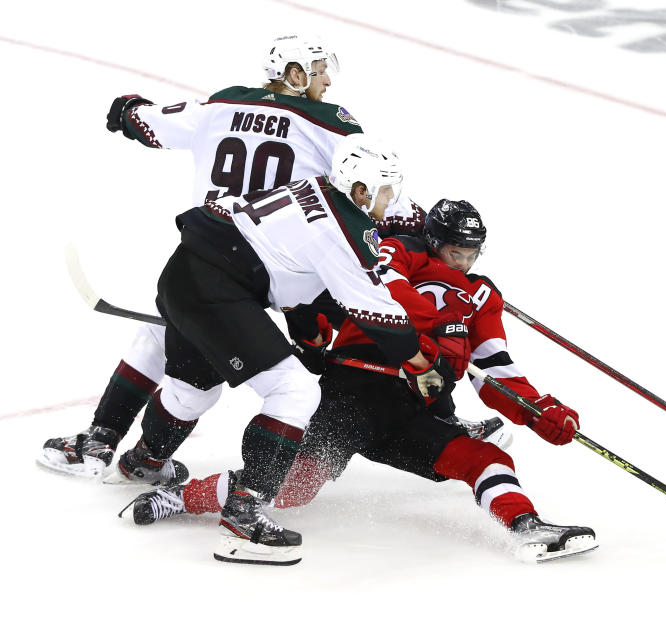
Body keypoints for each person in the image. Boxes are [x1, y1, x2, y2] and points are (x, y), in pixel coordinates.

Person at [126, 199, 598, 563]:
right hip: (352, 394)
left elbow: (494, 365)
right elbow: (378, 291)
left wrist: (538, 411)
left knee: (485, 459)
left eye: (472, 253)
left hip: (414, 413)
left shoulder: (482, 295)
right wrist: (421, 330)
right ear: (434, 242)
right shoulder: (401, 253)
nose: (464, 263)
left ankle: (527, 526)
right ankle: (180, 497)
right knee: (292, 489)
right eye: (456, 251)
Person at [38, 34, 422, 481]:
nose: (328, 80)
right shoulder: (329, 124)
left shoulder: (221, 106)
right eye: (319, 71)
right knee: (366, 328)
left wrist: (129, 108)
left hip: (209, 245)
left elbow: (138, 122)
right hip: (279, 260)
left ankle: (101, 441)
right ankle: (154, 462)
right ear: (296, 74)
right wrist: (424, 226)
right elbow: (375, 189)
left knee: (161, 338)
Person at [121, 134, 455, 565]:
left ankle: (144, 461)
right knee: (296, 392)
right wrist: (420, 363)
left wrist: (309, 337)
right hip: (218, 292)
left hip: (185, 273)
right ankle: (243, 518)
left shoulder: (316, 189)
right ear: (360, 191)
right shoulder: (343, 232)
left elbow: (294, 280)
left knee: (193, 389)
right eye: (386, 191)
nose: (391, 201)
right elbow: (377, 312)